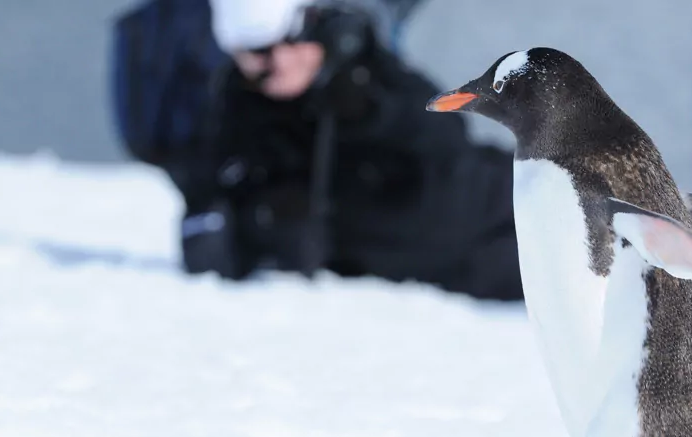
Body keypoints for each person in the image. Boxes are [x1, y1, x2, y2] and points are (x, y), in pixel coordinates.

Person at [170, 0, 523, 301]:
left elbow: (448, 133)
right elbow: (211, 216)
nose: (281, 61)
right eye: (259, 53)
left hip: (499, 202)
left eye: (292, 40)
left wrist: (373, 112)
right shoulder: (235, 115)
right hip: (460, 269)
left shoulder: (362, 65)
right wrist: (269, 226)